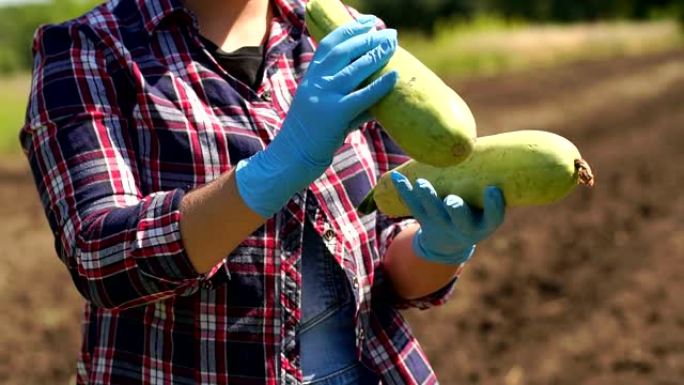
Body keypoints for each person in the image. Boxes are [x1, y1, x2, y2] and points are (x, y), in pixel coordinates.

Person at [20, 0, 506, 384]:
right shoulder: (88, 49)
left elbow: (385, 260)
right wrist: (275, 169)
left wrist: (438, 247)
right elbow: (100, 258)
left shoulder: (346, 38)